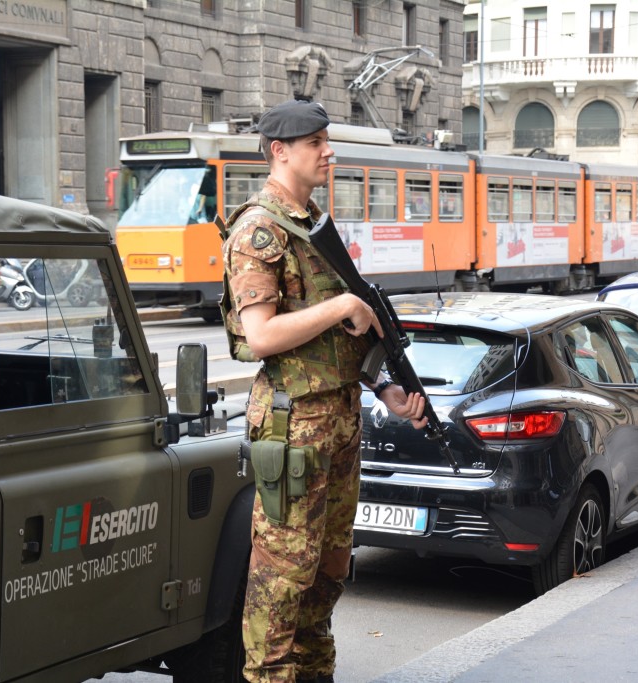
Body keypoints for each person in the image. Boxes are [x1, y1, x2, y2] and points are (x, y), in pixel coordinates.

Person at [220, 99, 428, 683]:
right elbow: (260, 336)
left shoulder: (312, 224)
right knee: (282, 577)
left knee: (329, 568)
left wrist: (384, 388)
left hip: (338, 419)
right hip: (293, 425)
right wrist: (341, 303)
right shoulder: (260, 230)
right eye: (316, 143)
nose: (328, 151)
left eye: (326, 140)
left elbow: (339, 340)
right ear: (280, 150)